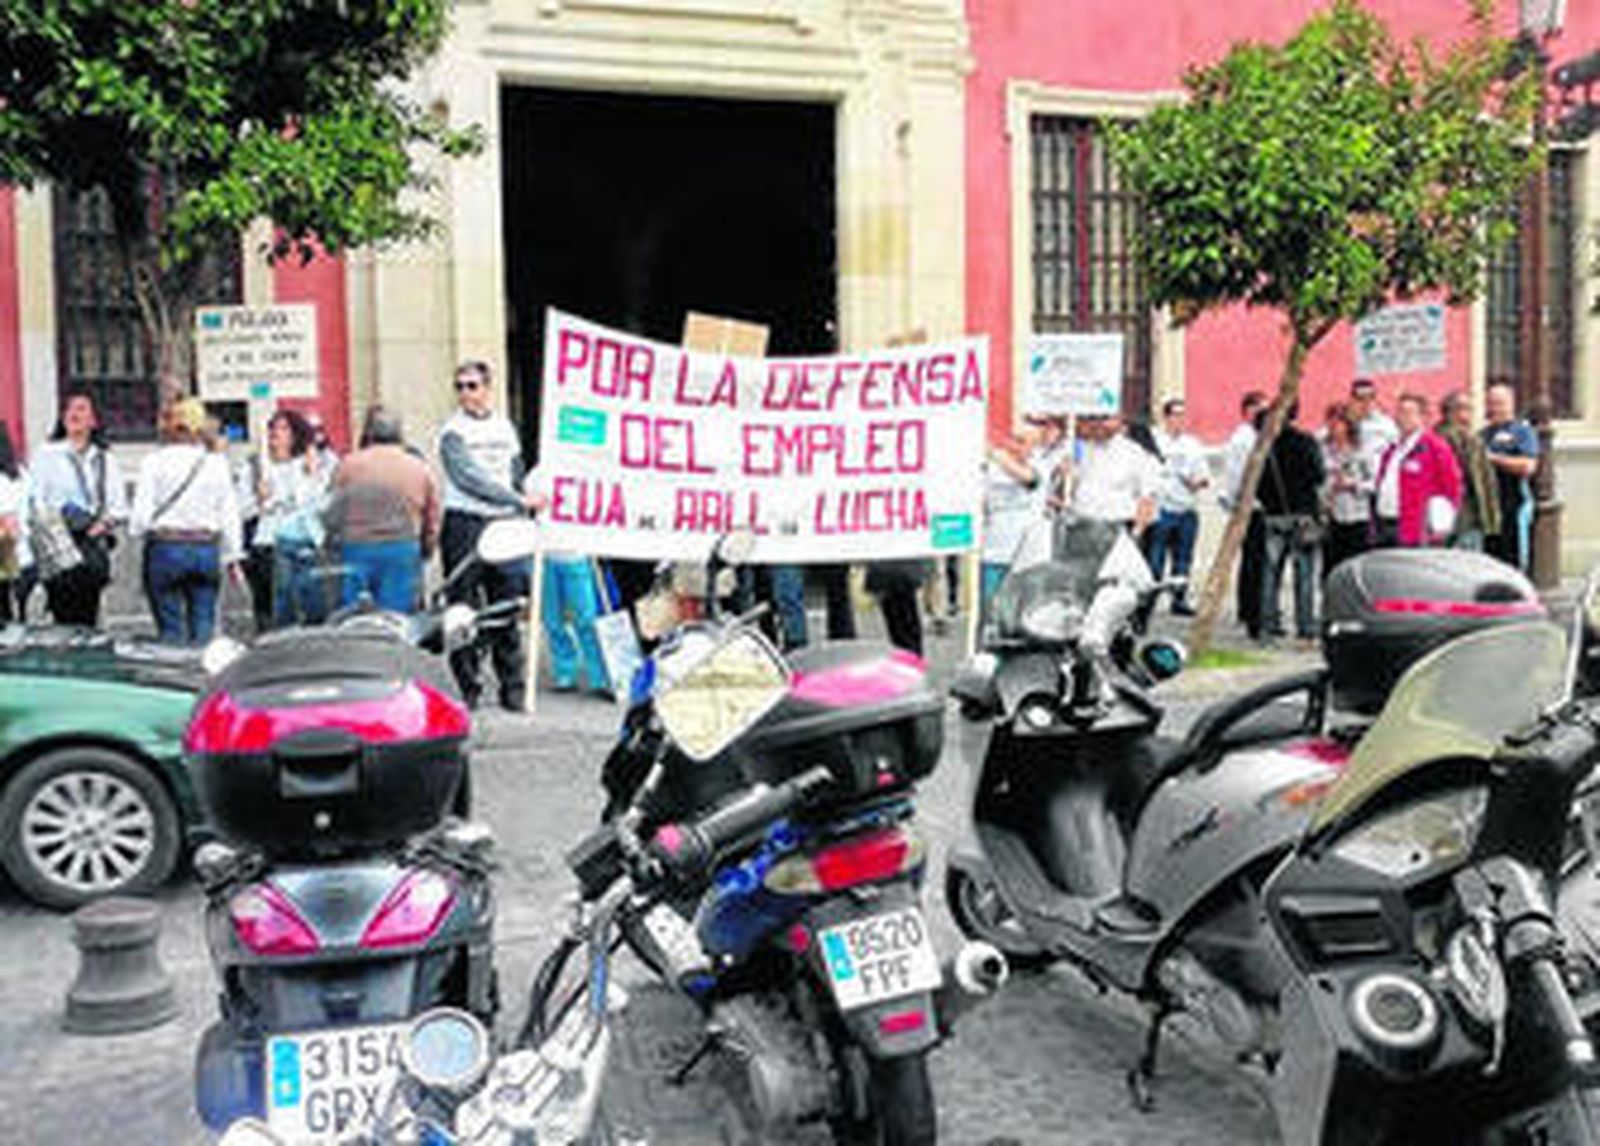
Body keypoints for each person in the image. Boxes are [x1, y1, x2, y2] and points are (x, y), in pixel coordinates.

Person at [437, 360, 539, 710]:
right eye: (460, 387)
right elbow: (469, 479)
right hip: (465, 523)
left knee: (507, 605)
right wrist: (519, 499)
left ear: (487, 388)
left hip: (503, 523)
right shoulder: (452, 431)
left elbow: (516, 471)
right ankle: (467, 687)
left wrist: (529, 502)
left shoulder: (504, 427)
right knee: (462, 609)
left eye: (472, 386)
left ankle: (512, 686)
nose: (465, 393)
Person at [130, 398, 243, 644]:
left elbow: (139, 519)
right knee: (203, 624)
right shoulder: (216, 464)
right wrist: (232, 555)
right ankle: (200, 673)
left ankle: (173, 674)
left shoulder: (153, 462)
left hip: (166, 547)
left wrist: (140, 533)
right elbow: (229, 514)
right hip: (205, 548)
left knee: (170, 629)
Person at [329, 406, 441, 614]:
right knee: (397, 617)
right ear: (400, 434)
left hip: (355, 547)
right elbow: (432, 518)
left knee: (352, 616)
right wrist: (426, 549)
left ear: (370, 433)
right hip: (401, 548)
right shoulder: (418, 468)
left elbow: (333, 510)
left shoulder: (348, 465)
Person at [29, 390, 128, 626]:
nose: (74, 414)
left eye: (82, 409)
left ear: (93, 421)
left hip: (90, 545)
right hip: (58, 544)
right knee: (61, 614)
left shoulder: (104, 459)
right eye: (70, 409)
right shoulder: (46, 455)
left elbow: (119, 506)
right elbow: (35, 499)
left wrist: (102, 525)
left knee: (88, 615)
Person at [250, 409, 328, 628]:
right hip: (269, 541)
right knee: (277, 603)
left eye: (283, 428)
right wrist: (258, 498)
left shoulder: (308, 463)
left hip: (304, 540)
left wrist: (312, 476)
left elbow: (319, 504)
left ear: (295, 434)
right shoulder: (256, 466)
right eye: (273, 428)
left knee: (311, 602)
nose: (276, 433)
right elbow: (242, 508)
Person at [1257, 403, 1325, 642]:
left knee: (1270, 573)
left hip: (1273, 515)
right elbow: (1319, 475)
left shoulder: (1263, 446)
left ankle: (1268, 624)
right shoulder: (1305, 441)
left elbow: (1256, 484)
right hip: (1303, 515)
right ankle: (1305, 624)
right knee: (1304, 573)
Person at [1372, 392, 1461, 549]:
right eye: (1399, 412)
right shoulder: (1392, 448)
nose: (1402, 417)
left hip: (1415, 530)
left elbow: (1451, 487)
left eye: (1408, 412)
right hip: (1386, 523)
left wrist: (1440, 524)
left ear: (1422, 417)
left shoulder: (1435, 447)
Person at [1147, 398, 1208, 614]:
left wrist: (1195, 482)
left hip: (1187, 508)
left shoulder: (1192, 444)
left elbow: (1204, 479)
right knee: (1156, 557)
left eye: (1183, 415)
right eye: (1175, 415)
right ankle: (1150, 598)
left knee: (1183, 558)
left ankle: (1179, 599)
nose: (1180, 420)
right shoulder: (1155, 441)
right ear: (1166, 417)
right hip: (1161, 506)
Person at [1223, 390, 1269, 638]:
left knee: (1255, 561)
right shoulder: (1242, 439)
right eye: (1260, 409)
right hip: (1250, 507)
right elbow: (1235, 475)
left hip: (1257, 506)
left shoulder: (1257, 436)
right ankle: (1250, 609)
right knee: (1254, 561)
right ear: (1248, 411)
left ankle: (1249, 607)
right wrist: (1237, 502)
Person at [1066, 413, 1160, 533]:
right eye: (1094, 418)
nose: (1099, 424)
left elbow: (1148, 499)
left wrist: (1135, 534)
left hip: (1118, 530)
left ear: (1119, 420)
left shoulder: (1134, 454)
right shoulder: (1076, 449)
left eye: (1105, 418)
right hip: (1080, 528)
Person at [1480, 381, 1539, 571]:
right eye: (1490, 403)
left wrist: (1493, 459)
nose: (1494, 408)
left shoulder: (1522, 431)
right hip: (1489, 509)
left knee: (1514, 560)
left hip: (1514, 504)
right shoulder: (1483, 434)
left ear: (1511, 404)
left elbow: (1528, 466)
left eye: (1499, 403)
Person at [1437, 390, 1500, 553]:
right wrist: (1488, 517)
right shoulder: (1465, 439)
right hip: (1466, 515)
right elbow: (1477, 480)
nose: (1471, 415)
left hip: (1440, 516)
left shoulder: (1433, 435)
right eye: (1468, 409)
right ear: (1455, 412)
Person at [1319, 402, 1372, 579]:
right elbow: (1317, 481)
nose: (1334, 428)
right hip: (1332, 516)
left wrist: (1353, 485)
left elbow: (1373, 483)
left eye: (1338, 423)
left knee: (1354, 567)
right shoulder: (1324, 450)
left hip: (1357, 516)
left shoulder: (1362, 451)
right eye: (1330, 423)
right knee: (1330, 568)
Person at [866, 559, 931, 657]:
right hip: (900, 570)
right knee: (906, 619)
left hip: (888, 570)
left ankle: (908, 657)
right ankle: (912, 658)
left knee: (899, 622)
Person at [0, 423, 31, 623]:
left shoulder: (2, 481)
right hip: (23, 561)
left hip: (6, 563)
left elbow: (10, 528)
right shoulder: (22, 474)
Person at [1349, 377, 1399, 454]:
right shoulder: (1342, 422)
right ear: (1352, 400)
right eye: (1361, 398)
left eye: (1371, 397)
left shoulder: (1386, 424)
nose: (1367, 403)